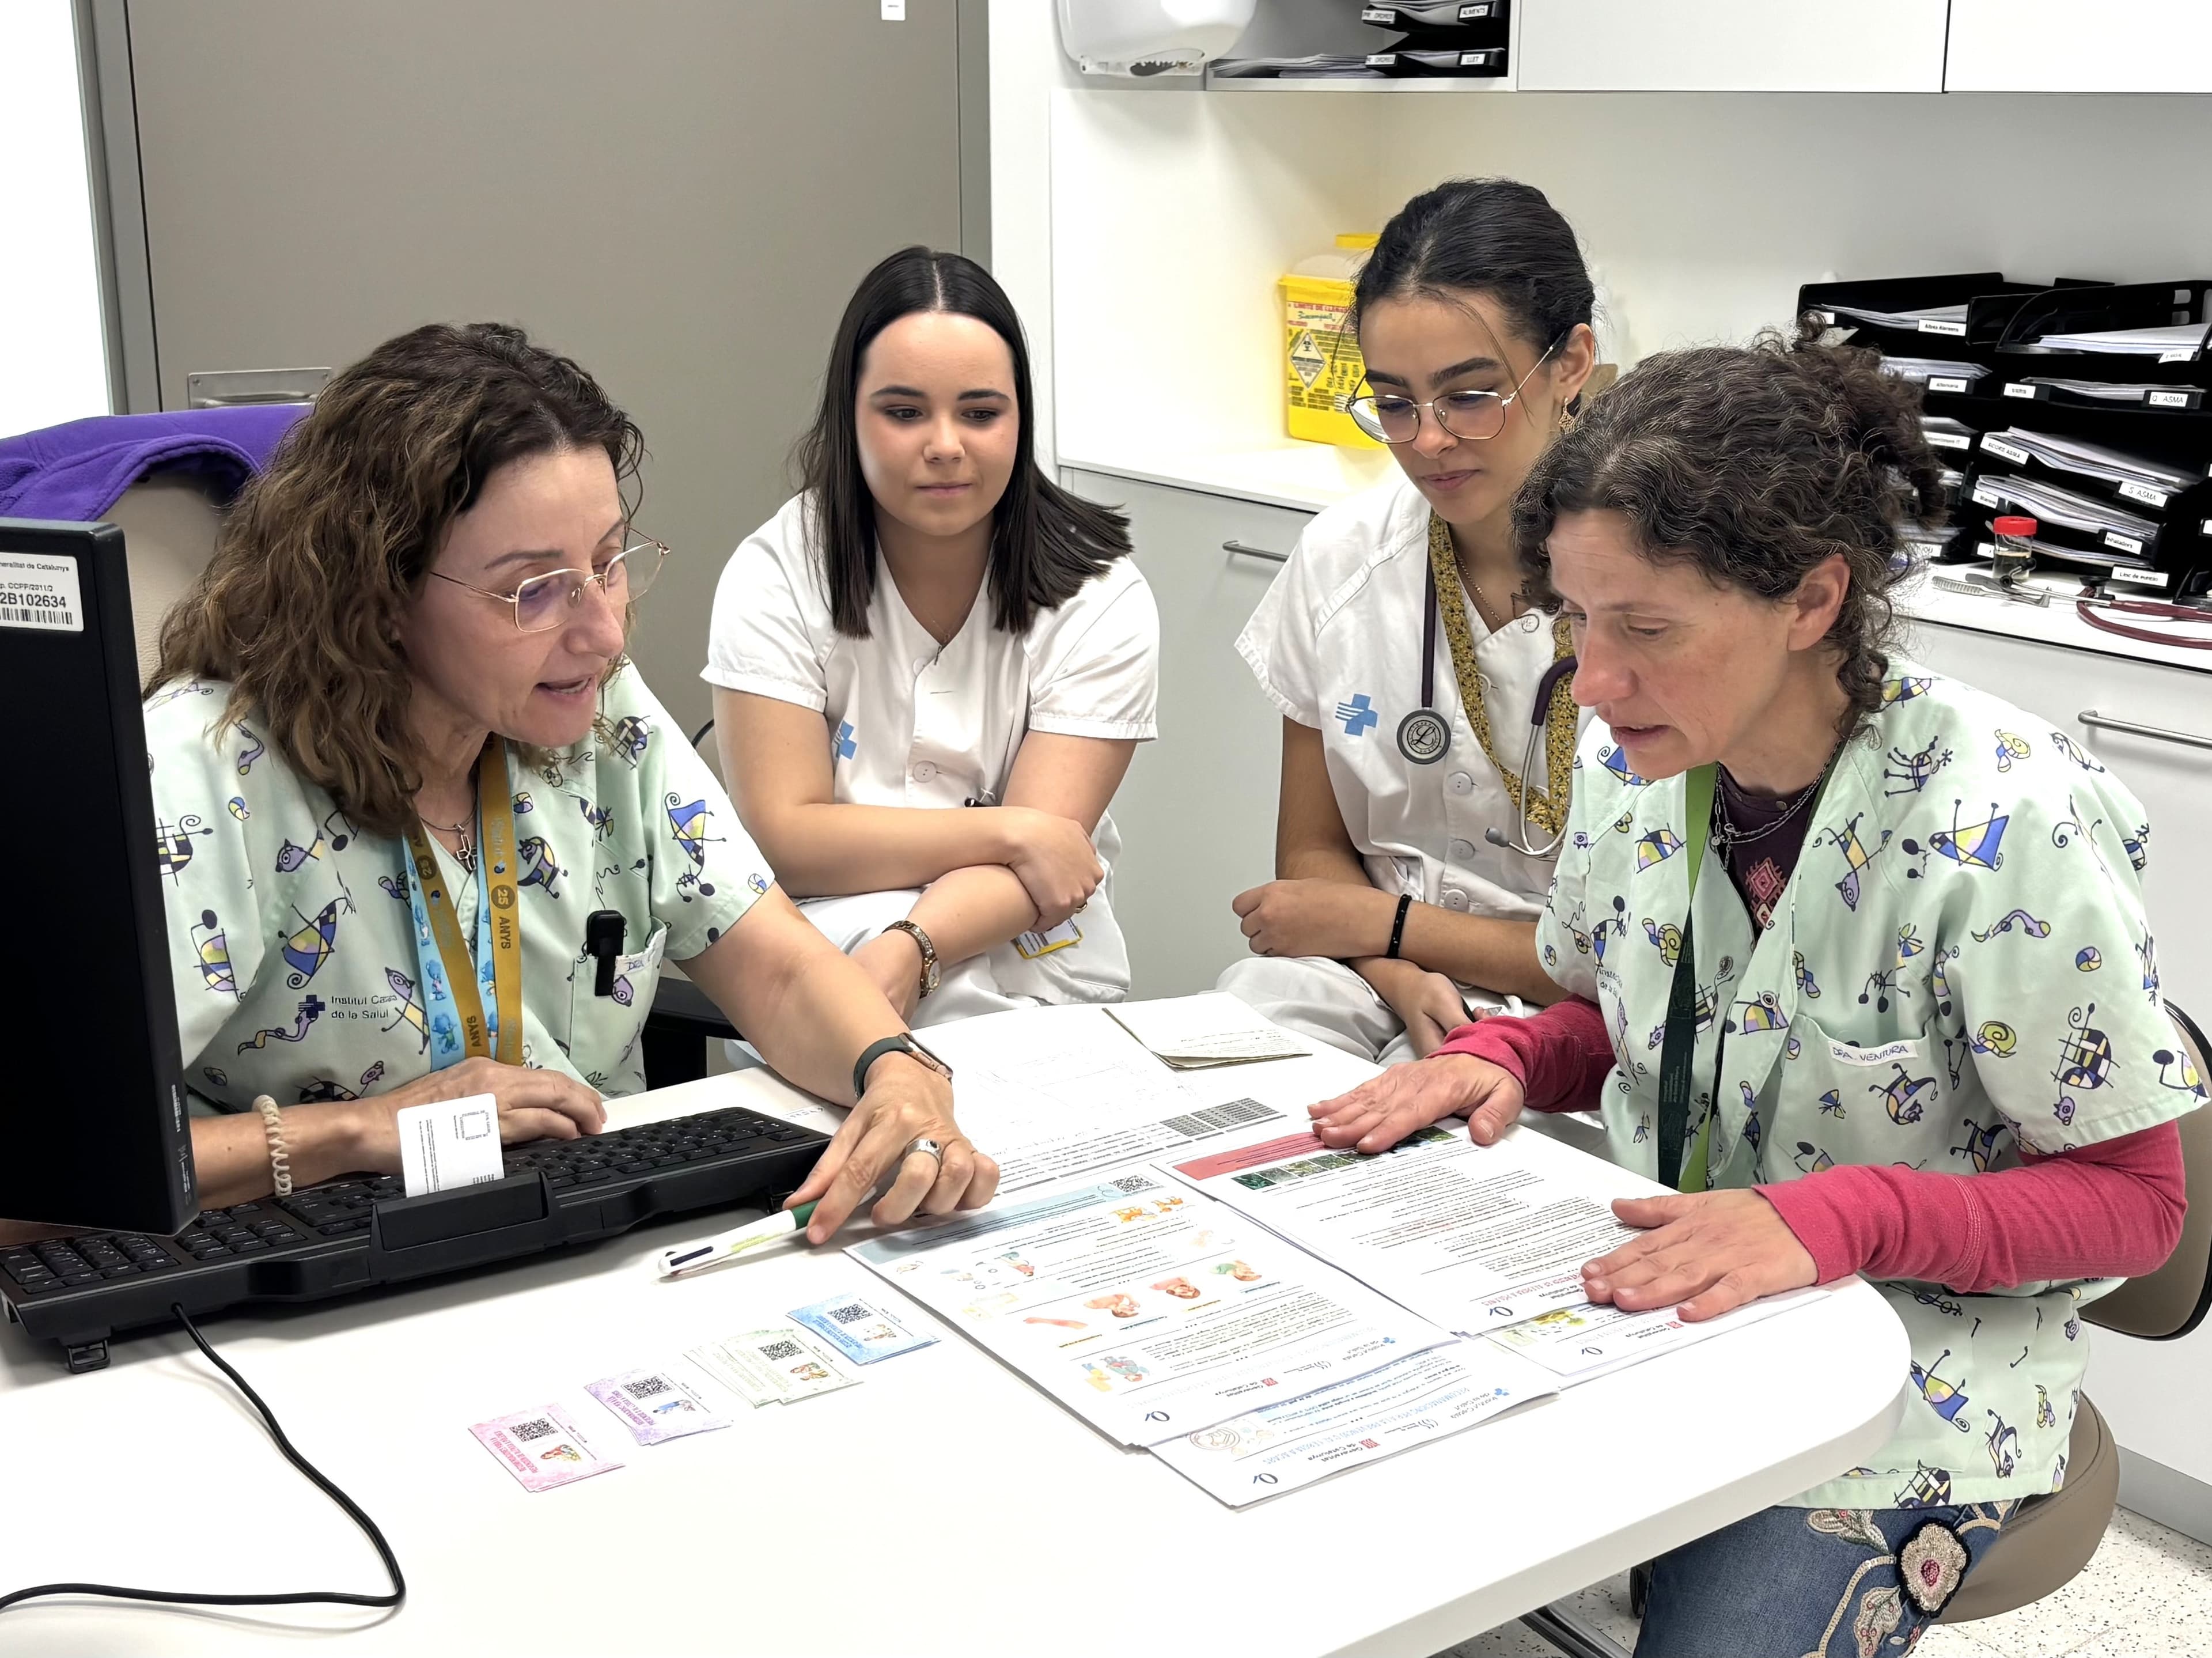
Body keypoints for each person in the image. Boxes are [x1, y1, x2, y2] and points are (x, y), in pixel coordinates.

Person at [1304, 335, 2199, 1654]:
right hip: (1667, 1302)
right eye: (1576, 618)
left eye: (1648, 628)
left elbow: (2138, 1208)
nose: (1592, 683)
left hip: (1920, 1376)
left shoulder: (2008, 819)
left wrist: (1833, 1214)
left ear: (1812, 597)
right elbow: (1655, 1010)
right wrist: (1514, 1055)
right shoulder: (1643, 764)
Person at [133, 322, 995, 1246]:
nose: (605, 633)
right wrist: (354, 1132)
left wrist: (894, 1068)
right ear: (380, 596)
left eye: (609, 563)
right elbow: (40, 1186)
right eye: (535, 589)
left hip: (592, 1236)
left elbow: (779, 970)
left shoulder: (596, 713)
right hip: (315, 1267)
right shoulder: (208, 767)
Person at [703, 247, 1158, 1029]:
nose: (945, 444)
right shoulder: (776, 573)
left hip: (1034, 960)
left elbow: (1044, 872)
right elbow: (787, 838)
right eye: (904, 411)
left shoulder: (1100, 593)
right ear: (850, 413)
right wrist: (1011, 828)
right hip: (829, 949)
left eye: (981, 413)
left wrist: (914, 944)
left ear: (1022, 418)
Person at [1221, 179, 1599, 1064]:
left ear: (1571, 361)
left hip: (1580, 1012)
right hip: (1371, 972)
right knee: (1237, 1037)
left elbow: (1640, 951)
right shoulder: (1342, 560)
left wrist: (1388, 924)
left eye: (1470, 396)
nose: (1425, 441)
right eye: (1393, 401)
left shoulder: (1657, 591)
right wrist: (1392, 963)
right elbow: (1312, 854)